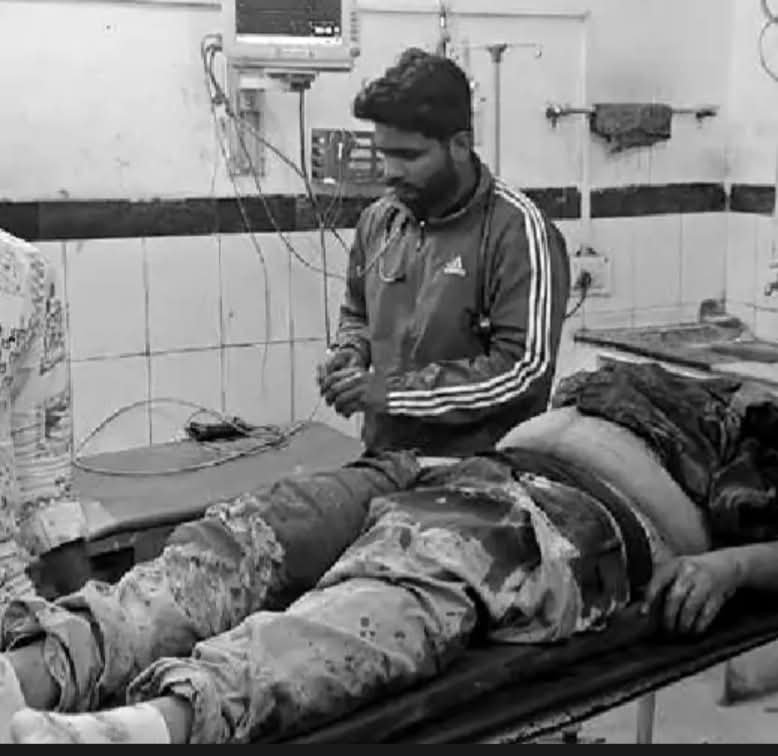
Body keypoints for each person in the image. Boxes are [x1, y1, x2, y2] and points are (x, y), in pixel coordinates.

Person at [3, 359, 778, 745]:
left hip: (575, 516)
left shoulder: (760, 441)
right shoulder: (707, 387)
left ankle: (139, 731)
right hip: (458, 465)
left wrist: (732, 566)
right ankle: (30, 674)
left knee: (408, 577)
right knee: (252, 532)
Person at [316, 47, 571, 458]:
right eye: (384, 153)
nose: (390, 172)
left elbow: (523, 370)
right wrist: (351, 351)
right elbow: (357, 313)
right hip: (386, 458)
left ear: (460, 145)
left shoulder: (518, 232)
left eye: (409, 156)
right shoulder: (379, 221)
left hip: (483, 473)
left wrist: (392, 393)